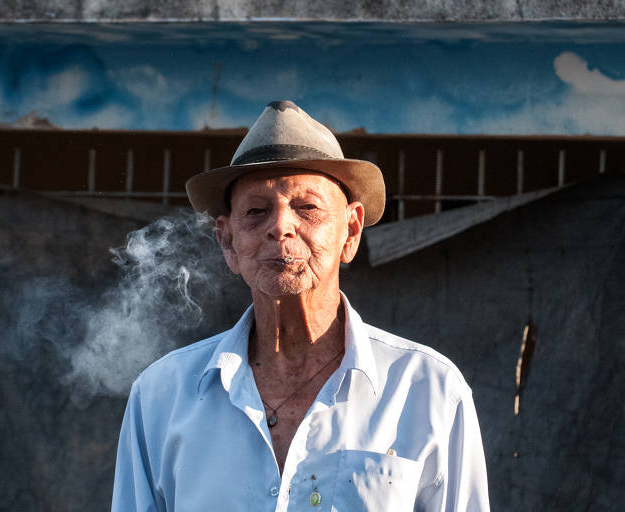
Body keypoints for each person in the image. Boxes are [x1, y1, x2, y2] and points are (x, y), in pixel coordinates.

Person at [111, 101, 490, 511]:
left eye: (306, 208)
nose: (280, 227)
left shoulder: (428, 391)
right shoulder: (162, 396)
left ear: (351, 230)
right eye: (256, 212)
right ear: (227, 242)